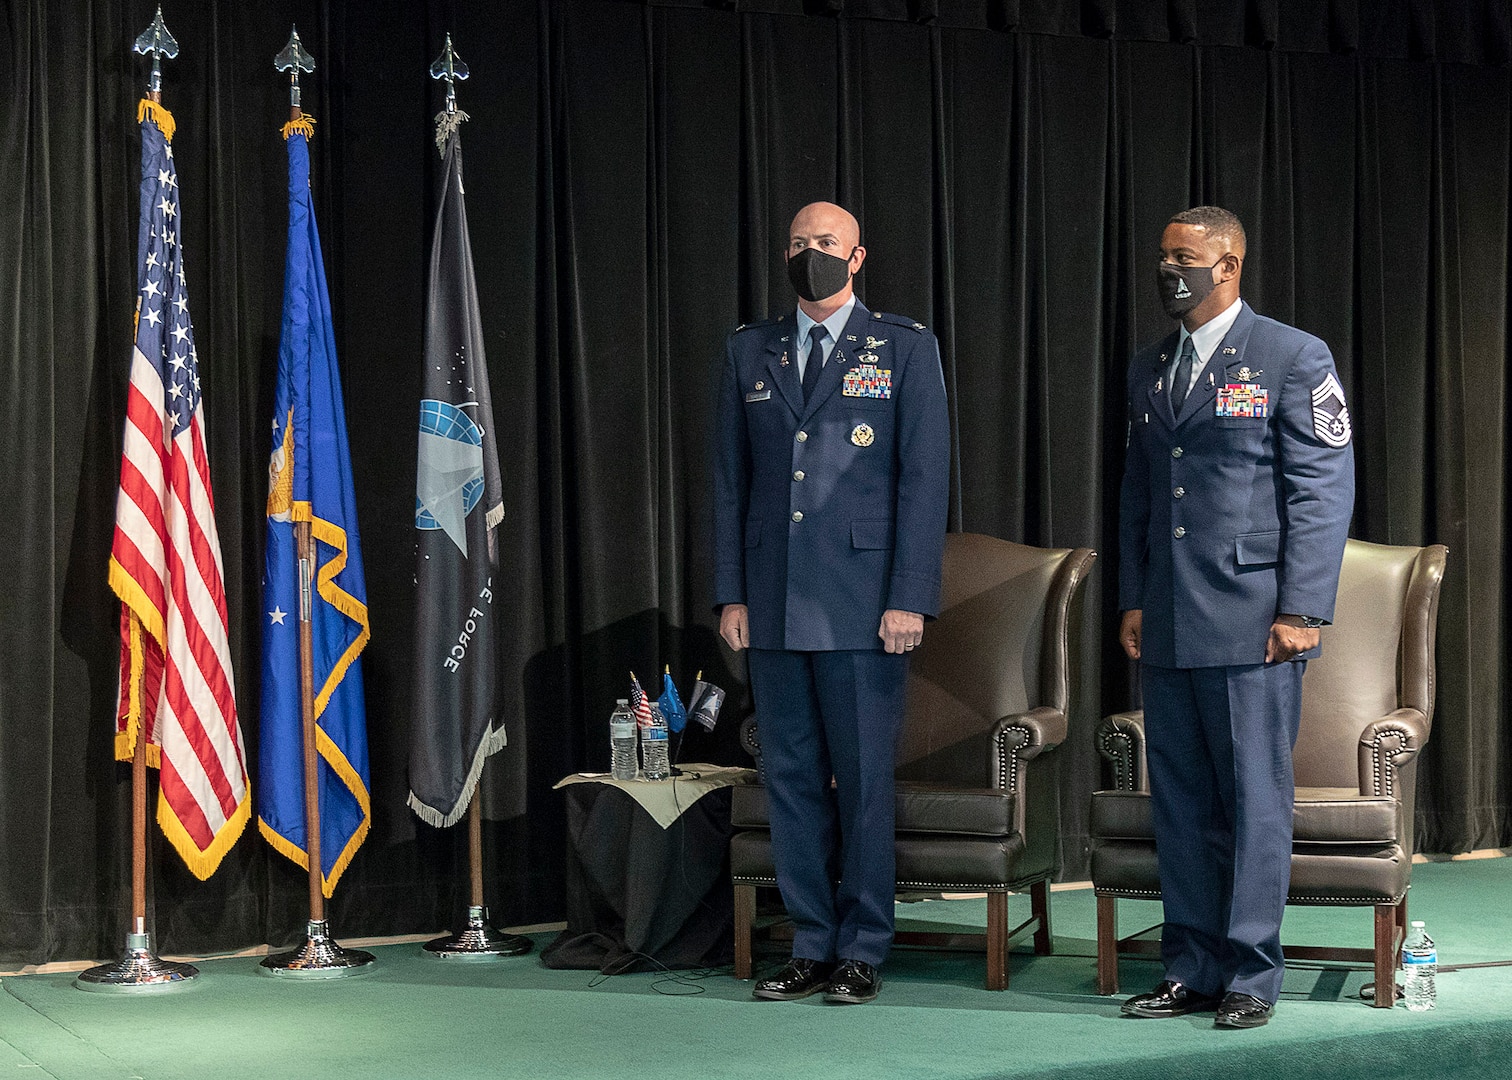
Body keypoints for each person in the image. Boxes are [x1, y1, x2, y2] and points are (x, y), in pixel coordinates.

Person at [1116, 206, 1355, 1028]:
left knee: (1255, 799)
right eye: (1162, 256)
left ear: (1229, 266)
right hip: (1174, 617)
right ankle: (1191, 966)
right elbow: (1142, 495)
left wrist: (1303, 607)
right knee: (1180, 802)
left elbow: (1322, 488)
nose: (1168, 269)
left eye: (1184, 257)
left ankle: (1252, 972)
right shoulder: (1151, 366)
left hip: (1255, 619)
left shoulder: (1293, 355)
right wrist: (1136, 596)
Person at [713, 202, 950, 1004]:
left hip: (864, 602)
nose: (809, 253)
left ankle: (862, 947)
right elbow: (728, 485)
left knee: (863, 781)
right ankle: (809, 942)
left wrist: (909, 596)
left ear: (857, 258)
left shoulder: (905, 347)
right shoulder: (751, 350)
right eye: (797, 243)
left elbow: (924, 482)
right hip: (774, 601)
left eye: (825, 244)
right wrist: (731, 593)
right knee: (791, 780)